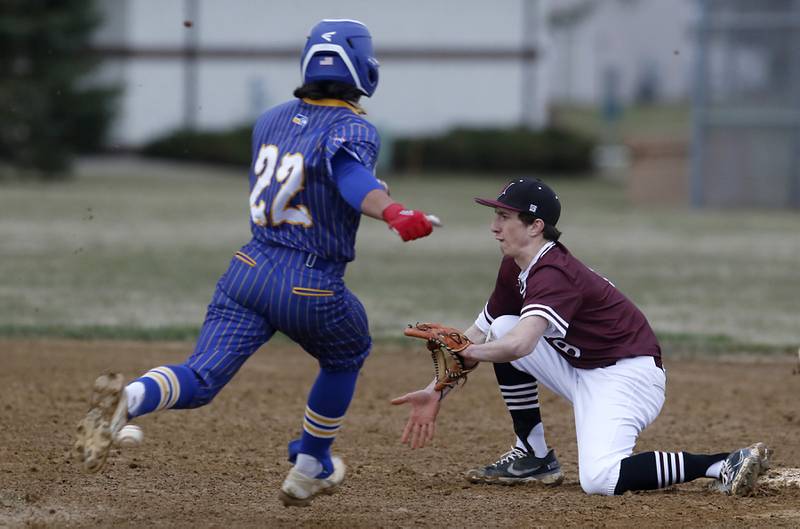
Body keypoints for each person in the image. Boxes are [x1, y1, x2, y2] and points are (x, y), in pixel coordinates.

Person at [74, 18, 437, 507]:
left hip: (248, 269)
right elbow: (349, 176)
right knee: (347, 352)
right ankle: (310, 465)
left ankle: (130, 399)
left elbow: (320, 176)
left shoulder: (270, 119)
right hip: (308, 279)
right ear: (362, 70)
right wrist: (394, 212)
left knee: (200, 377)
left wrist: (373, 196)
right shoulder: (354, 125)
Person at [391, 178, 770, 496]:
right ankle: (533, 455)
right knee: (502, 326)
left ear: (535, 225)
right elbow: (475, 336)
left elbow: (519, 345)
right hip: (581, 367)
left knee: (600, 479)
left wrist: (472, 350)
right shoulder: (515, 267)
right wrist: (435, 389)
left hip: (627, 377)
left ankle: (721, 463)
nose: (494, 226)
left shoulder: (554, 273)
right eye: (496, 215)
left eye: (504, 217)